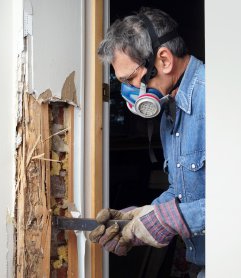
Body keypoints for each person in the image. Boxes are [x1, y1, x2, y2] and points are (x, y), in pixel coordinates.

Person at [89, 7, 205, 276]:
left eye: (130, 79)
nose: (129, 92)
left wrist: (169, 220)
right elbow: (184, 191)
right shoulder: (170, 107)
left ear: (163, 60)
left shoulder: (217, 98)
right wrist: (142, 218)